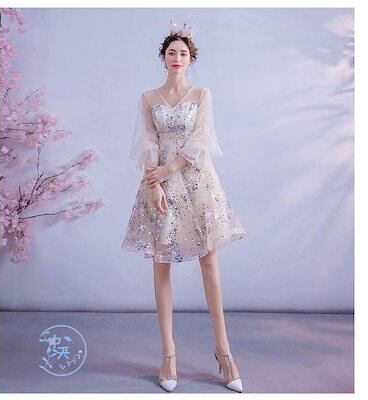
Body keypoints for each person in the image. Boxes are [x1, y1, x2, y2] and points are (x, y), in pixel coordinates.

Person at [121, 20, 247, 393]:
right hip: (160, 184)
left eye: (184, 53)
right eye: (172, 52)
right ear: (163, 58)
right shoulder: (148, 98)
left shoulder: (201, 95)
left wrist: (169, 170)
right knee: (161, 262)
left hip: (196, 181)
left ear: (191, 59)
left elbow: (201, 139)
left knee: (209, 260)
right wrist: (154, 183)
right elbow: (147, 141)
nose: (177, 57)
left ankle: (224, 353)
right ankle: (168, 354)